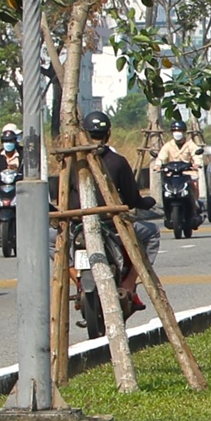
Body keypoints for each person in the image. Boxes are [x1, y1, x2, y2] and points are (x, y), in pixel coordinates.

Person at [77, 110, 161, 304]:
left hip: (77, 224)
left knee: (49, 240)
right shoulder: (118, 161)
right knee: (152, 233)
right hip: (111, 224)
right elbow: (132, 199)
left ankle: (75, 278)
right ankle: (130, 283)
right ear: (108, 135)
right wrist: (146, 202)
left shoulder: (72, 161)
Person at [155, 119, 204, 223]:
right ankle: (167, 212)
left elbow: (197, 155)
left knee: (194, 183)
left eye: (180, 131)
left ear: (184, 132)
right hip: (172, 175)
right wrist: (158, 165)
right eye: (175, 131)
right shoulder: (168, 146)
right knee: (165, 187)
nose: (177, 133)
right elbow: (161, 156)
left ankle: (194, 205)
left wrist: (196, 164)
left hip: (188, 173)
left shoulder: (190, 145)